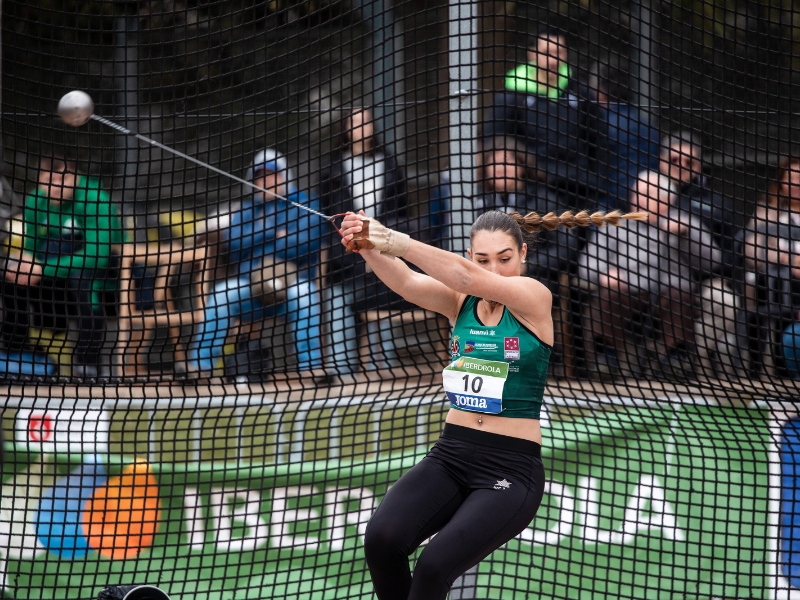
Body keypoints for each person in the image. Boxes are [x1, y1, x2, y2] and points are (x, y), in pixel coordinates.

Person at [337, 206, 642, 599]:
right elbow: (409, 283)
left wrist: (394, 240)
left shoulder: (533, 295)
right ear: (469, 255)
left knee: (434, 565)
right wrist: (367, 247)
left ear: (524, 255)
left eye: (505, 259)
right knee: (382, 538)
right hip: (450, 455)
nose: (494, 271)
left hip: (510, 470)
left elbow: (467, 276)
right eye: (483, 260)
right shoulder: (461, 301)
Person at [188, 149, 325, 377]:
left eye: (271, 175)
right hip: (250, 288)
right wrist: (273, 232)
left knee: (306, 296)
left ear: (284, 176)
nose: (266, 181)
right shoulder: (245, 210)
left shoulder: (305, 204)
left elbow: (305, 243)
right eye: (260, 177)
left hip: (290, 285)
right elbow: (234, 245)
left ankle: (311, 369)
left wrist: (259, 239)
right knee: (222, 294)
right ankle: (200, 367)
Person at [578, 170, 723, 379]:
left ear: (667, 200)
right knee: (607, 297)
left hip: (669, 293)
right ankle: (605, 359)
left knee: (679, 299)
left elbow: (712, 262)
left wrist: (687, 235)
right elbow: (586, 263)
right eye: (636, 194)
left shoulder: (683, 223)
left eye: (647, 195)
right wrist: (603, 274)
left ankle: (675, 360)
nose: (638, 200)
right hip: (626, 291)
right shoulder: (615, 224)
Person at [1, 153, 122, 378]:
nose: (55, 187)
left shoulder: (95, 197)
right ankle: (18, 354)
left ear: (75, 178)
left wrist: (44, 269)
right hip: (56, 277)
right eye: (49, 181)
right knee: (9, 278)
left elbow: (100, 253)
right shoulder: (36, 201)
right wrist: (24, 267)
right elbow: (32, 248)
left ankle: (88, 364)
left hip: (103, 276)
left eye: (62, 180)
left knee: (83, 280)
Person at [318, 108, 410, 373]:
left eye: (365, 121)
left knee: (383, 304)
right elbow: (325, 212)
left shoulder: (390, 163)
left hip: (383, 251)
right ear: (345, 127)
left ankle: (381, 368)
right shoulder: (331, 167)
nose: (360, 127)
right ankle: (341, 371)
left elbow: (402, 209)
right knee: (340, 306)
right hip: (343, 259)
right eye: (354, 122)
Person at [484, 26, 606, 199]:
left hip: (581, 191)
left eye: (559, 52)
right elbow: (494, 144)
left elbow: (598, 142)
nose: (553, 59)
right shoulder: (511, 97)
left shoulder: (582, 93)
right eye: (546, 52)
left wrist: (596, 182)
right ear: (532, 54)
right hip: (533, 195)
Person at [477, 136, 586, 292]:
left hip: (534, 281)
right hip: (485, 282)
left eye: (507, 162)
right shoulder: (476, 202)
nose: (500, 168)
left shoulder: (542, 199)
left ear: (521, 165)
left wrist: (528, 265)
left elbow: (566, 247)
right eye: (494, 163)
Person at [741, 157, 800, 377]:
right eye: (791, 178)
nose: (795, 183)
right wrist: (786, 258)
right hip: (773, 282)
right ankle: (759, 370)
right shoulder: (769, 211)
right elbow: (751, 249)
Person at [659, 130, 738, 272]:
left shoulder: (717, 203)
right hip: (654, 278)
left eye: (688, 161)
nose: (681, 165)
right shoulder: (644, 194)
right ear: (662, 161)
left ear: (698, 166)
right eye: (674, 160)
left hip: (707, 280)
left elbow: (732, 250)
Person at [592, 58, 661, 208]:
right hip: (646, 206)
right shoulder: (648, 126)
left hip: (608, 207)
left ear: (600, 90)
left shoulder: (598, 125)